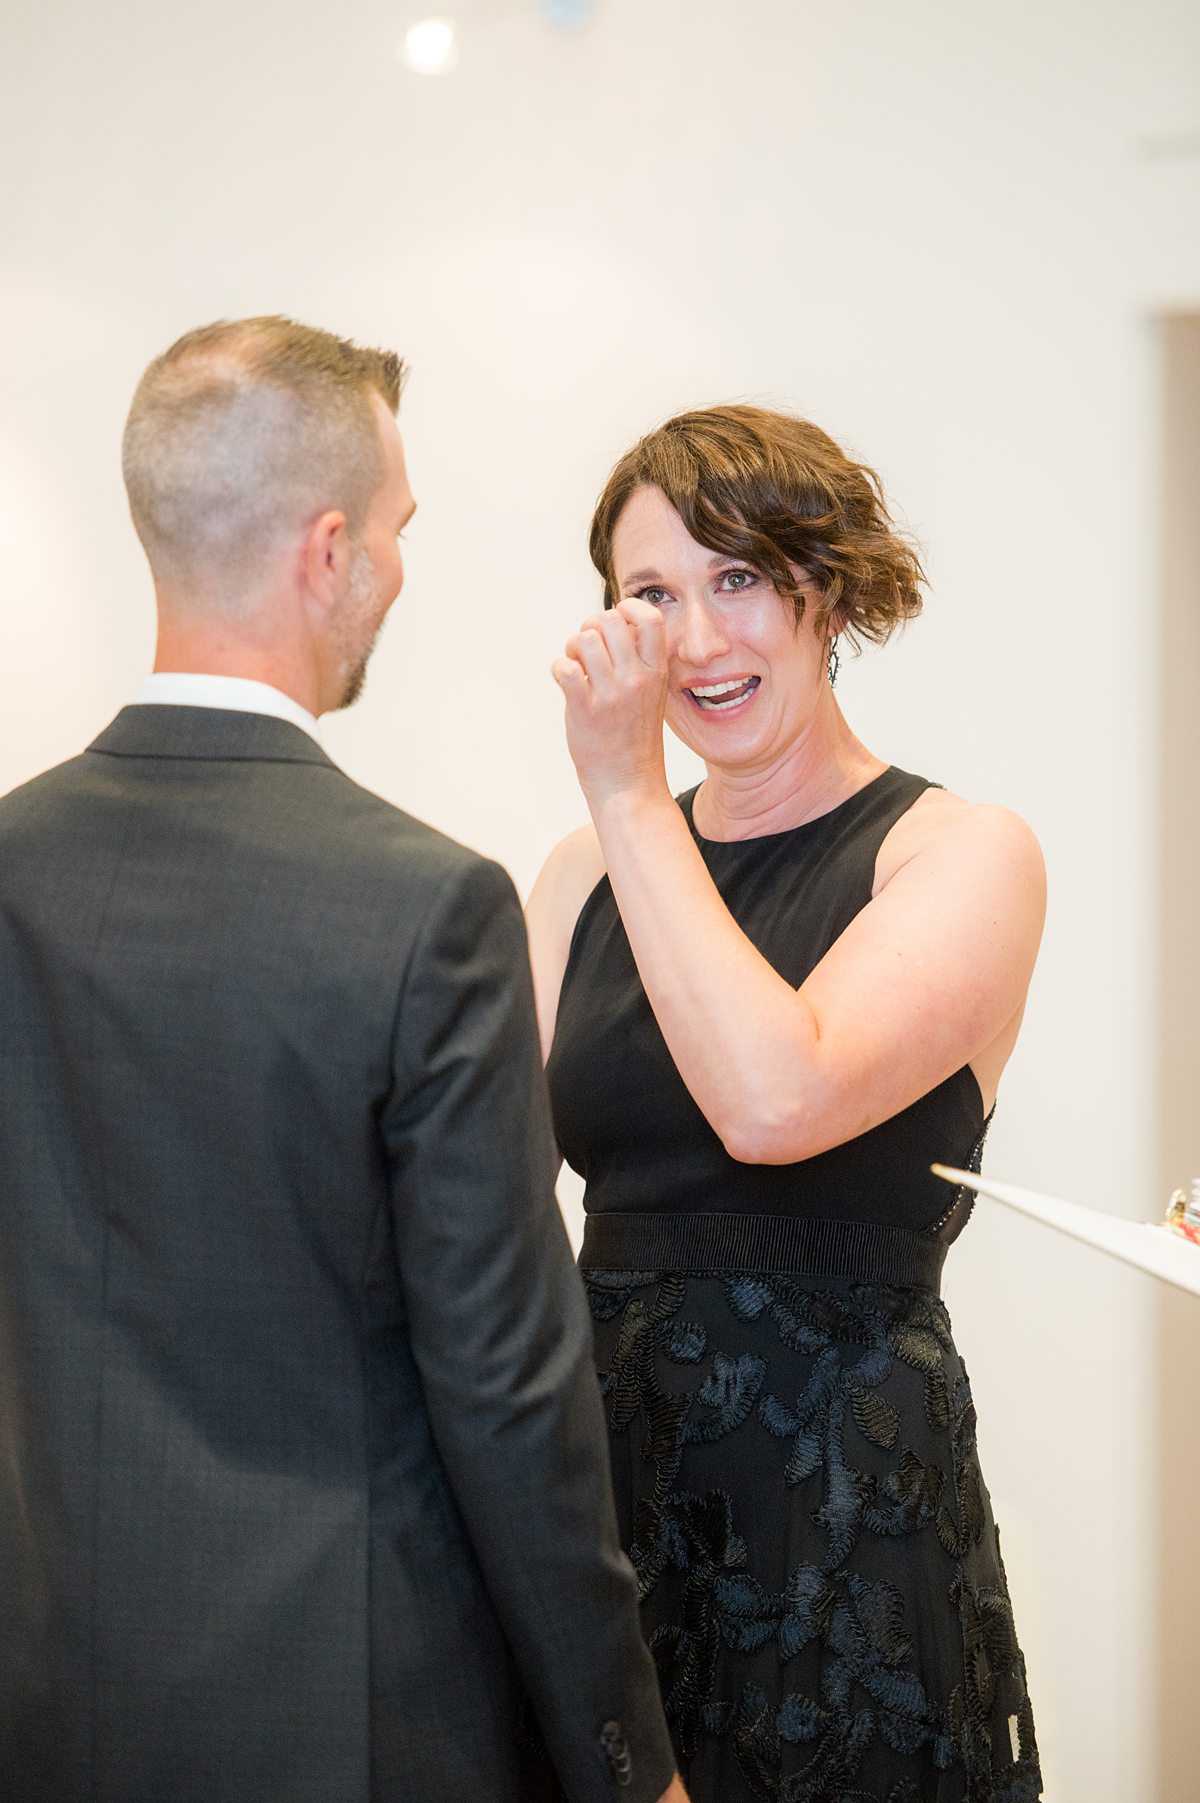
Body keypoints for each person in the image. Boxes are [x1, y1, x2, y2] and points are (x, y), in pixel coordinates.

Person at [0, 316, 688, 1803]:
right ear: (327, 554)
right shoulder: (420, 904)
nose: (395, 571)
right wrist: (626, 1760)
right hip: (358, 1718)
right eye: (396, 530)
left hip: (47, 1695)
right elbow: (510, 1392)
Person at [526, 405, 1046, 1803]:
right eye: (652, 595)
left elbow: (775, 1096)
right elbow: (491, 1203)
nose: (696, 641)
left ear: (826, 589)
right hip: (604, 1498)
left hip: (840, 1509)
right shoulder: (581, 873)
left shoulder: (960, 854)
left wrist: (630, 787)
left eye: (738, 579)